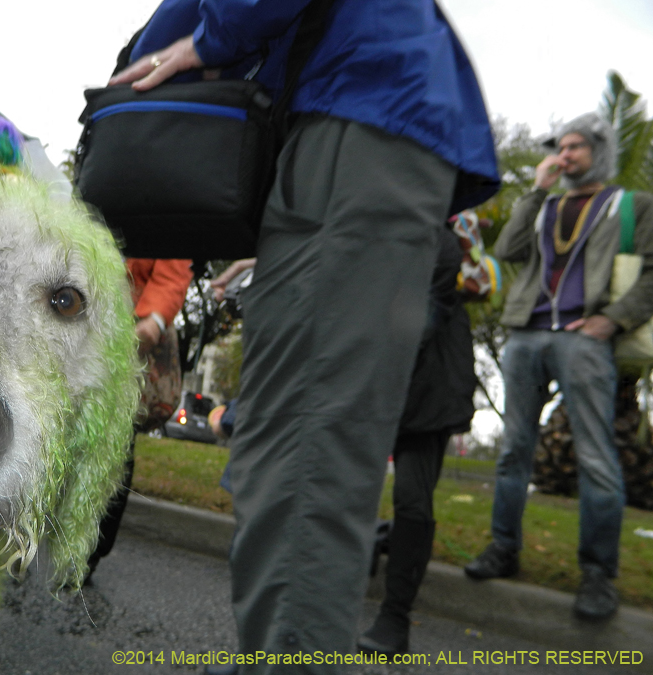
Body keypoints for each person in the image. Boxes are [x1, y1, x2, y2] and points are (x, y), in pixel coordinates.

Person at [109, 2, 499, 672]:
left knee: (305, 445)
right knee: (282, 441)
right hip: (345, 118)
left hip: (359, 113)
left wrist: (211, 37)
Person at [464, 112, 653, 622]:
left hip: (585, 340)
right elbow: (508, 250)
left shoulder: (630, 205)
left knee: (595, 457)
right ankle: (503, 547)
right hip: (526, 334)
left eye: (574, 147)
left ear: (599, 151)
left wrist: (612, 320)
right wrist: (535, 192)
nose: (563, 155)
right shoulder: (545, 205)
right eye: (560, 148)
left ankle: (597, 573)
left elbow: (652, 272)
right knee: (513, 450)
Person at [357, 224, 477, 656]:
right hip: (376, 372)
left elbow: (425, 308)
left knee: (411, 496)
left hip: (428, 383)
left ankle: (395, 617)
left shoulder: (439, 238)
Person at [86, 258, 194, 579]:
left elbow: (173, 269)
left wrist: (155, 319)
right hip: (84, 321)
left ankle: (89, 550)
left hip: (132, 337)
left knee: (116, 447)